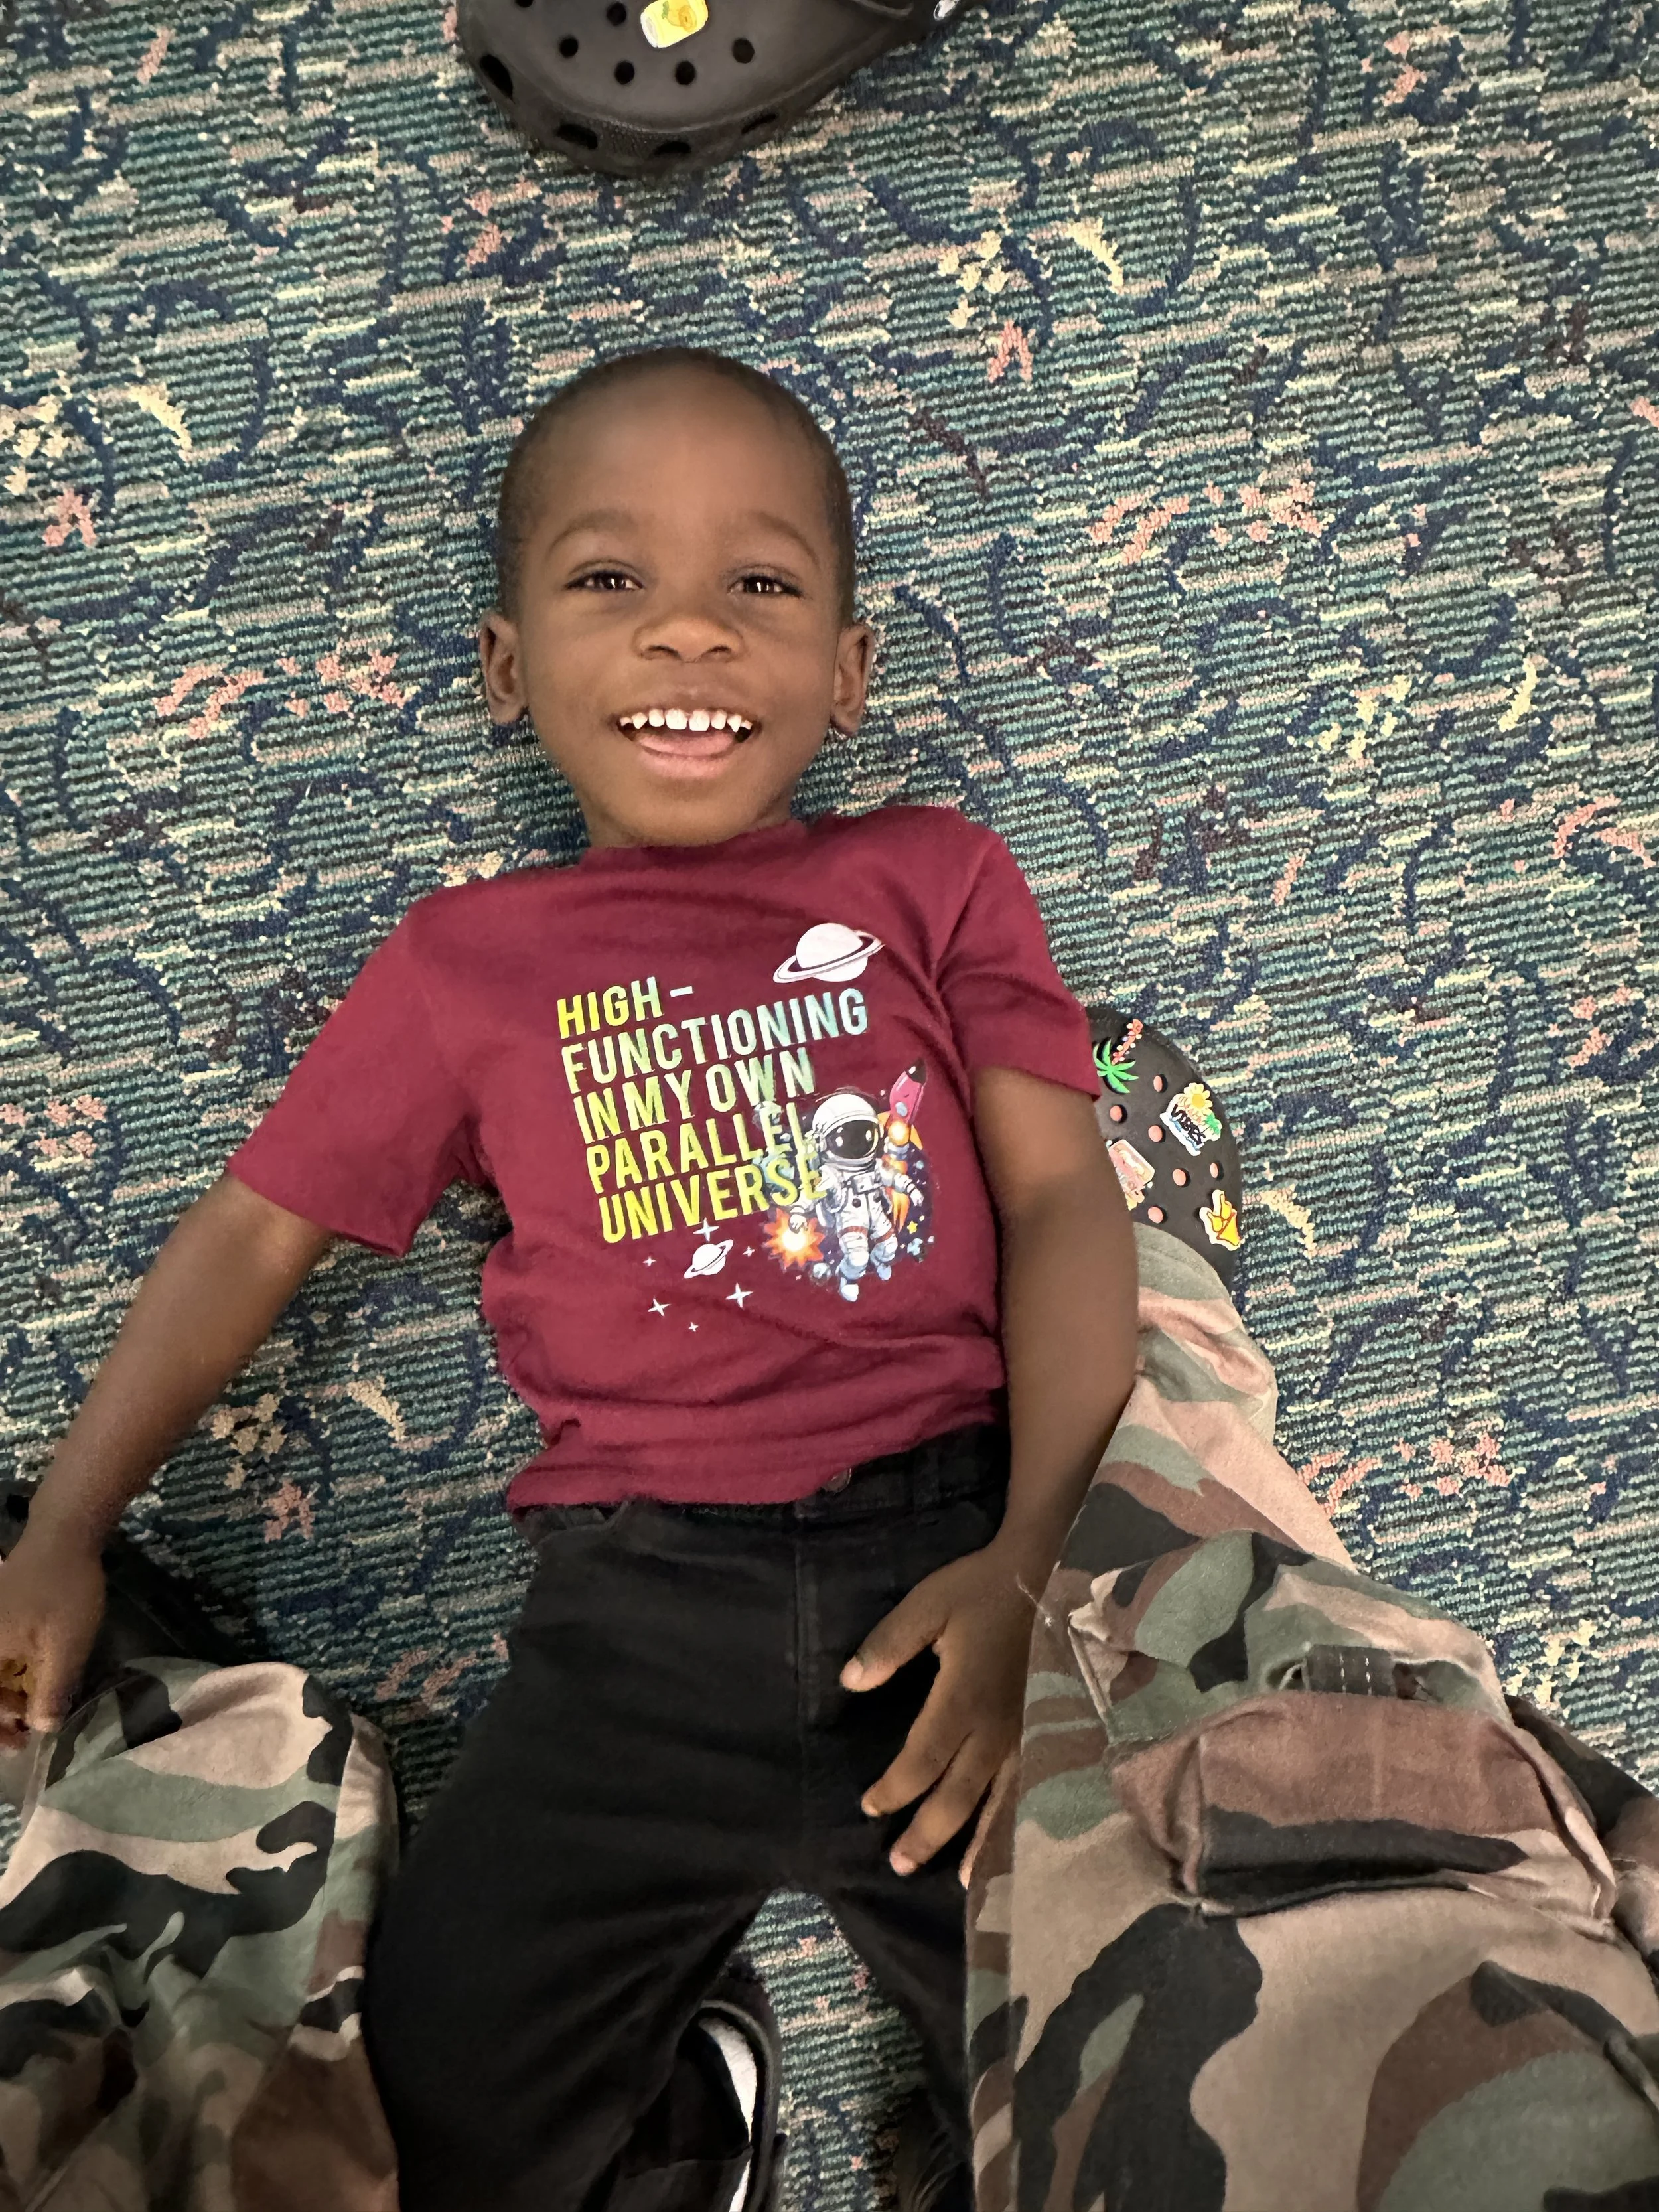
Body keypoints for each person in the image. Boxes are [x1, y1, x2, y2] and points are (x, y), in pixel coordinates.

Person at [0, 348, 1140, 2212]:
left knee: (1151, 2120)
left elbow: (1059, 1205)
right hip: (632, 1624)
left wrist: (1032, 1560)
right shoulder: (465, 960)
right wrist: (66, 1519)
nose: (689, 634)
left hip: (951, 1572)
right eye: (612, 580)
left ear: (848, 671)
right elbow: (249, 1227)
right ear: (508, 668)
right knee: (402, 2158)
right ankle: (681, 2127)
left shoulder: (932, 876)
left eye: (759, 587)